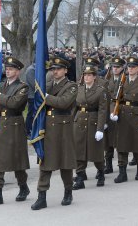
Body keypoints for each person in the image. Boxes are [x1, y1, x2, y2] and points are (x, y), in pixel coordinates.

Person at [31, 57, 78, 210]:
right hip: (48, 128)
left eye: (58, 69)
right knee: (45, 163)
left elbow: (63, 103)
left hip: (63, 127)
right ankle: (41, 196)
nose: (55, 71)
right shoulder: (47, 85)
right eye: (53, 69)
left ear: (65, 70)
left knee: (65, 162)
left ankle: (68, 191)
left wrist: (45, 96)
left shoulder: (71, 86)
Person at [0, 57, 30, 206]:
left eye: (11, 69)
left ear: (18, 71)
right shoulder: (1, 85)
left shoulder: (23, 87)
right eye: (6, 69)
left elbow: (14, 103)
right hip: (1, 124)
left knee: (17, 160)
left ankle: (23, 186)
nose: (8, 71)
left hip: (14, 125)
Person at [110, 56, 138, 183]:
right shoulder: (122, 81)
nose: (131, 69)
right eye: (129, 67)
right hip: (123, 116)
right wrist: (113, 111)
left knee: (137, 145)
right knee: (121, 145)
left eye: (133, 67)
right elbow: (114, 99)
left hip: (137, 116)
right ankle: (122, 172)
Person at [72, 66, 108, 190]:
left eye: (89, 75)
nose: (86, 77)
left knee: (95, 152)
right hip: (80, 121)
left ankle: (101, 172)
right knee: (79, 152)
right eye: (85, 75)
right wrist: (72, 121)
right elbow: (74, 107)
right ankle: (80, 178)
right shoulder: (79, 89)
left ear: (94, 77)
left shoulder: (100, 90)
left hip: (93, 121)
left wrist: (100, 128)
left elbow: (102, 111)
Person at [104, 56, 126, 174]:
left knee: (120, 140)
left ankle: (122, 165)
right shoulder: (108, 79)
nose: (115, 69)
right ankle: (108, 164)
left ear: (122, 68)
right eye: (113, 67)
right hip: (108, 111)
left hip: (120, 111)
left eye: (117, 67)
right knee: (108, 140)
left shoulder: (125, 79)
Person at [25, 62, 35, 137]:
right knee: (31, 114)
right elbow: (33, 84)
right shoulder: (31, 70)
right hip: (32, 95)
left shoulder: (33, 69)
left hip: (34, 95)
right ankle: (27, 131)